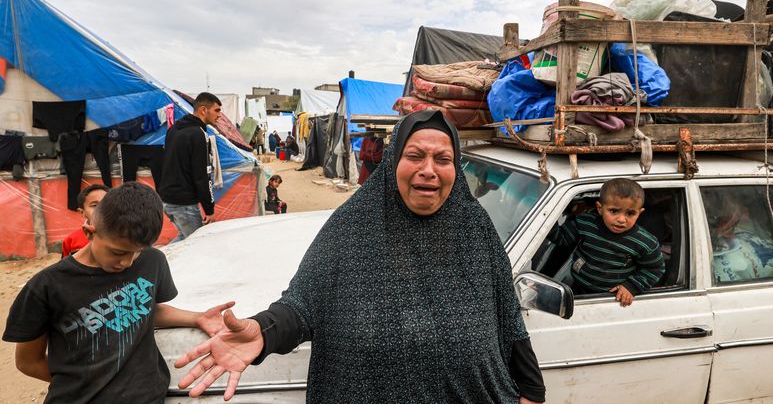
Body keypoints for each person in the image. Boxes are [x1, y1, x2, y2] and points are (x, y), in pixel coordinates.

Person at [174, 110, 546, 403]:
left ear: (455, 168)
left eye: (443, 159)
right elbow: (303, 304)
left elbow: (507, 315)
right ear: (392, 162)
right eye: (414, 156)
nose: (429, 170)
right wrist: (263, 332)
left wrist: (532, 391)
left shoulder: (473, 227)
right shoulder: (354, 226)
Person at [2, 182, 234, 403]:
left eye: (137, 252)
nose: (127, 262)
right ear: (89, 232)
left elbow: (144, 308)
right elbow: (28, 362)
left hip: (150, 397)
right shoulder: (46, 286)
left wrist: (196, 317)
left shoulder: (153, 261)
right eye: (117, 252)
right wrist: (82, 383)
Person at [554, 178, 664, 307]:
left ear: (639, 213)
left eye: (630, 213)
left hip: (614, 297)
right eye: (614, 211)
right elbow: (561, 238)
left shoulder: (645, 242)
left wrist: (631, 286)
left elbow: (655, 268)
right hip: (578, 288)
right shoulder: (585, 223)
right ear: (600, 208)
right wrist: (546, 217)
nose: (622, 219)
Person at [158, 92, 221, 242]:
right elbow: (202, 175)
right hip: (183, 203)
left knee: (183, 239)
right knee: (197, 243)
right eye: (217, 110)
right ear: (203, 110)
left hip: (166, 199)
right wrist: (209, 209)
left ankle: (161, 262)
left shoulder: (173, 129)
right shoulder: (198, 134)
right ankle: (159, 263)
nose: (219, 115)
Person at [61, 184, 110, 258]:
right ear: (82, 212)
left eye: (106, 204)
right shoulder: (71, 240)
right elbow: (66, 267)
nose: (102, 209)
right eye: (95, 205)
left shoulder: (125, 234)